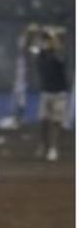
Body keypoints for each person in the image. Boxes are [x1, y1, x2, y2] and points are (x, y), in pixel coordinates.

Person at [35, 27, 69, 161]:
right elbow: (37, 51)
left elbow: (61, 60)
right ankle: (44, 146)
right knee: (43, 121)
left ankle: (53, 148)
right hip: (46, 92)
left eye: (48, 40)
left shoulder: (58, 56)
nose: (46, 42)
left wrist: (55, 41)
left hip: (59, 93)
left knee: (56, 122)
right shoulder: (41, 55)